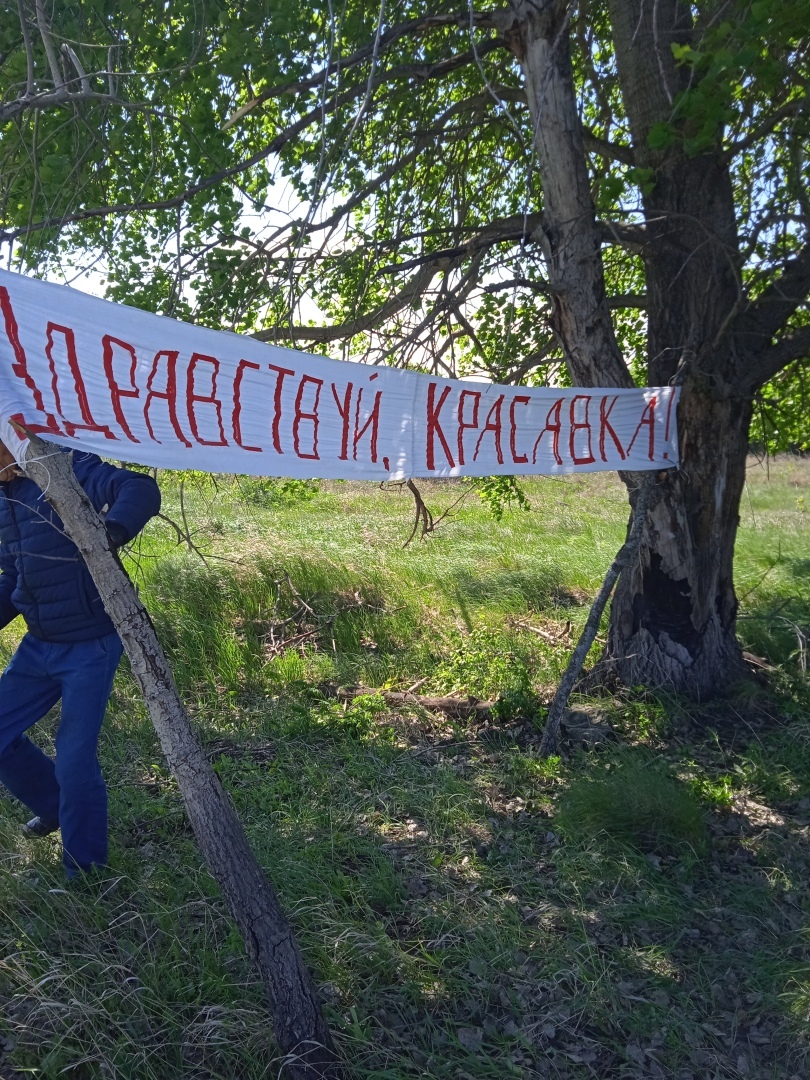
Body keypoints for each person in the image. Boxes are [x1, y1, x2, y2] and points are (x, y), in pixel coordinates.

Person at [0, 439, 160, 878]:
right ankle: (54, 806)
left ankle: (85, 873)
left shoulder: (63, 464)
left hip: (91, 645)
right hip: (39, 644)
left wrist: (108, 535)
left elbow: (139, 488)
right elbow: (14, 576)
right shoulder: (5, 498)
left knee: (74, 760)